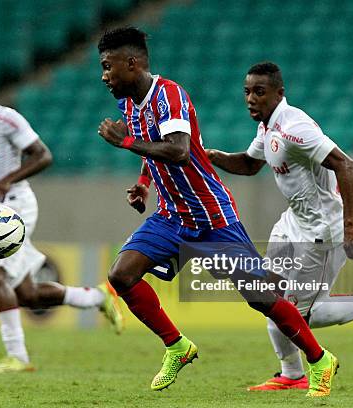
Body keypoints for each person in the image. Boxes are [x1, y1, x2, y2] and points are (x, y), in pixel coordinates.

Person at [97, 28, 339, 397]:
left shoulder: (169, 95)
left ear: (131, 63)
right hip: (172, 217)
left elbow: (177, 150)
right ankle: (177, 346)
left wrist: (126, 142)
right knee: (121, 275)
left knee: (261, 297)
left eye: (107, 66)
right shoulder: (128, 103)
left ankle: (320, 360)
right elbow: (154, 145)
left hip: (211, 217)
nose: (104, 76)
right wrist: (145, 182)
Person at [206, 62, 353, 391]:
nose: (251, 98)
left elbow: (345, 165)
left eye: (259, 92)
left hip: (321, 231)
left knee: (298, 315)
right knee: (269, 297)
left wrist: (350, 225)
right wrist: (210, 156)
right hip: (293, 223)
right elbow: (250, 165)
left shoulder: (295, 128)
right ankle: (291, 374)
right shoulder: (268, 127)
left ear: (279, 93)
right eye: (247, 92)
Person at [0, 63, 123, 374]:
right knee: (27, 294)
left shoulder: (3, 118)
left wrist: (8, 178)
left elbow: (43, 155)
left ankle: (18, 357)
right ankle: (96, 296)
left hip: (13, 205)